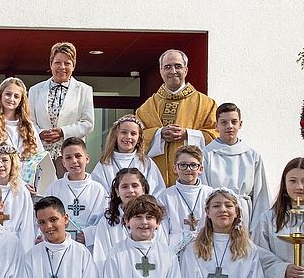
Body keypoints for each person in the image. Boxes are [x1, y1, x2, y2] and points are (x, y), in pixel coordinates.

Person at [135, 49, 218, 187]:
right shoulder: (148, 106)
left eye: (178, 66)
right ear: (160, 71)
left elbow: (217, 137)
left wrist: (188, 135)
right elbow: (135, 137)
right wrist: (158, 134)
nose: (173, 71)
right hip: (156, 179)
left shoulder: (206, 104)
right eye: (167, 67)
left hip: (193, 178)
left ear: (186, 70)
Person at [28, 42, 95, 177]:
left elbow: (88, 123)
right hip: (41, 154)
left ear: (74, 65)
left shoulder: (84, 90)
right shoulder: (35, 90)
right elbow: (28, 121)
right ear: (51, 63)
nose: (62, 67)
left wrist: (63, 132)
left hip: (69, 155)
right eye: (58, 62)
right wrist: (40, 133)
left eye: (67, 63)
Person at [202, 103, 271, 227]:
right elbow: (203, 192)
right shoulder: (206, 154)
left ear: (240, 124)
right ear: (216, 125)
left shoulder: (252, 155)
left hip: (244, 213)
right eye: (224, 122)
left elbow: (261, 194)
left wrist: (257, 227)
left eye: (234, 122)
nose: (229, 126)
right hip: (217, 214)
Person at [0, 77, 47, 192]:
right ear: (0, 95)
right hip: (1, 181)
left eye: (16, 96)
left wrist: (29, 182)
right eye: (8, 94)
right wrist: (19, 183)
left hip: (27, 181)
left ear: (21, 101)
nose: (11, 99)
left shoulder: (28, 126)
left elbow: (38, 155)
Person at [43, 137, 108, 249]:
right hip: (59, 244)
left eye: (78, 156)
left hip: (88, 246)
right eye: (68, 158)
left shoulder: (98, 190)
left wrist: (88, 235)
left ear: (87, 158)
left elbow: (104, 221)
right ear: (63, 162)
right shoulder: (54, 188)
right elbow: (44, 215)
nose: (74, 161)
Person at [154, 145, 213, 255]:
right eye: (183, 165)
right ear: (175, 168)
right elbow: (162, 231)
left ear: (201, 169)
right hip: (175, 250)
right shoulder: (165, 196)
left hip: (204, 247)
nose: (188, 169)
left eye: (193, 165)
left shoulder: (210, 194)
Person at [92, 115, 165, 197]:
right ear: (115, 135)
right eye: (123, 132)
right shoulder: (105, 163)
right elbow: (97, 192)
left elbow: (157, 191)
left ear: (139, 139)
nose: (128, 137)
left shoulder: (146, 163)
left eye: (133, 133)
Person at [0, 144, 36, 250]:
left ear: (12, 163)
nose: (0, 165)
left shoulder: (21, 191)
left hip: (14, 245)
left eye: (5, 160)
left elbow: (27, 226)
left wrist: (25, 254)